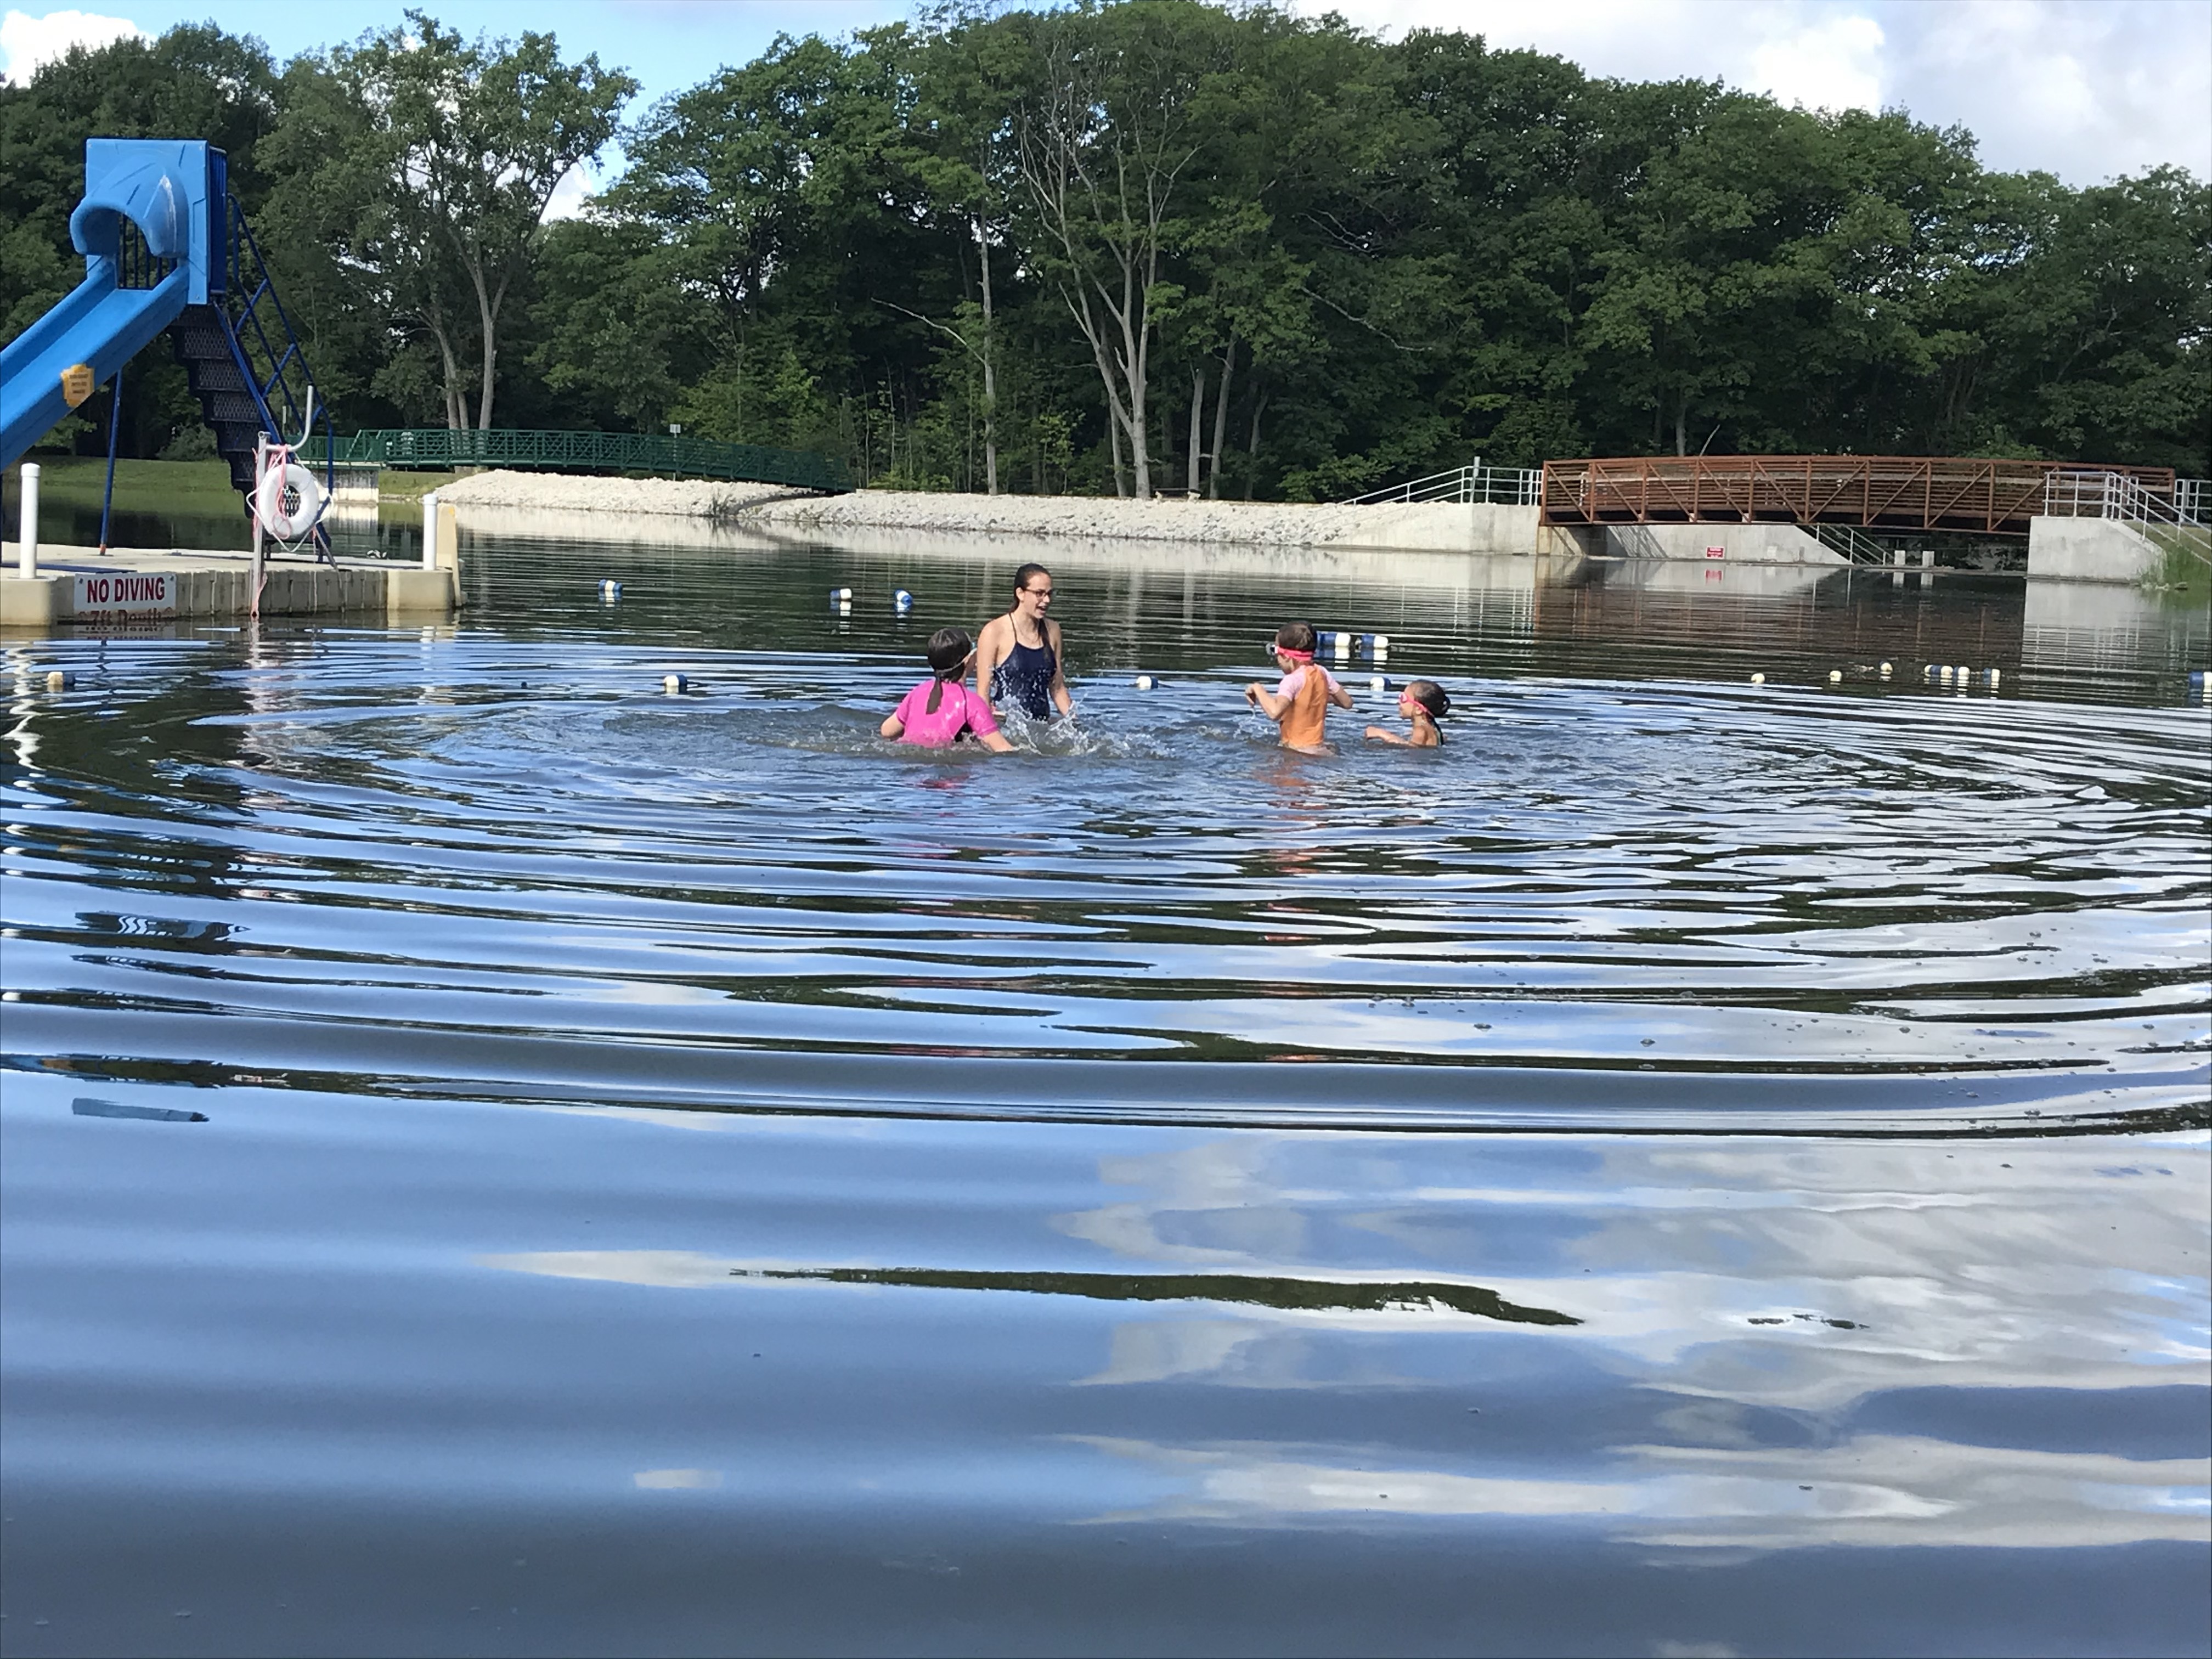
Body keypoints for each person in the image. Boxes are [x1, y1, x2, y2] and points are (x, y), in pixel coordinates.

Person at [881, 628, 1015, 752]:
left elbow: (887, 731)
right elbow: (1004, 750)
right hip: (949, 770)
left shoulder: (918, 692)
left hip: (912, 769)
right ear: (968, 660)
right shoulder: (972, 703)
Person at [975, 562, 1073, 722]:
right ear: (1021, 593)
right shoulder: (994, 631)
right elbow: (983, 691)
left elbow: (1057, 687)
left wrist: (1075, 722)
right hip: (1005, 725)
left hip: (1042, 727)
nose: (1046, 600)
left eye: (1049, 594)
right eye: (1039, 593)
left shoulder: (1053, 630)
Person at [1244, 622, 1355, 752]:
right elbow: (1348, 703)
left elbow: (1274, 713)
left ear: (1285, 656)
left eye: (1275, 651)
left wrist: (1257, 688)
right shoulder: (1322, 672)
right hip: (1321, 750)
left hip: (1296, 753)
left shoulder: (1291, 680)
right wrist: (1318, 698)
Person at [1365, 680, 1449, 747]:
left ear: (1418, 710)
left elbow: (1412, 748)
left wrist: (1382, 734)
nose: (1399, 702)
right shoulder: (1432, 727)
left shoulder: (1420, 730)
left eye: (1403, 698)